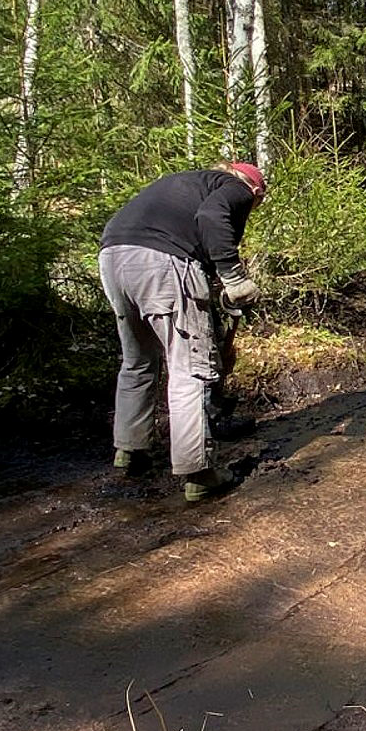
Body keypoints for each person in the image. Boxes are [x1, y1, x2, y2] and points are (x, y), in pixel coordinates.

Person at [99, 162, 265, 501]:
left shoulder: (184, 183)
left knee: (138, 360)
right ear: (255, 189)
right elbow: (211, 218)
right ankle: (199, 472)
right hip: (161, 261)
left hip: (113, 257)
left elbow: (194, 236)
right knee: (189, 368)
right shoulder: (237, 188)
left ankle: (130, 450)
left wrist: (218, 286)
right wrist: (234, 277)